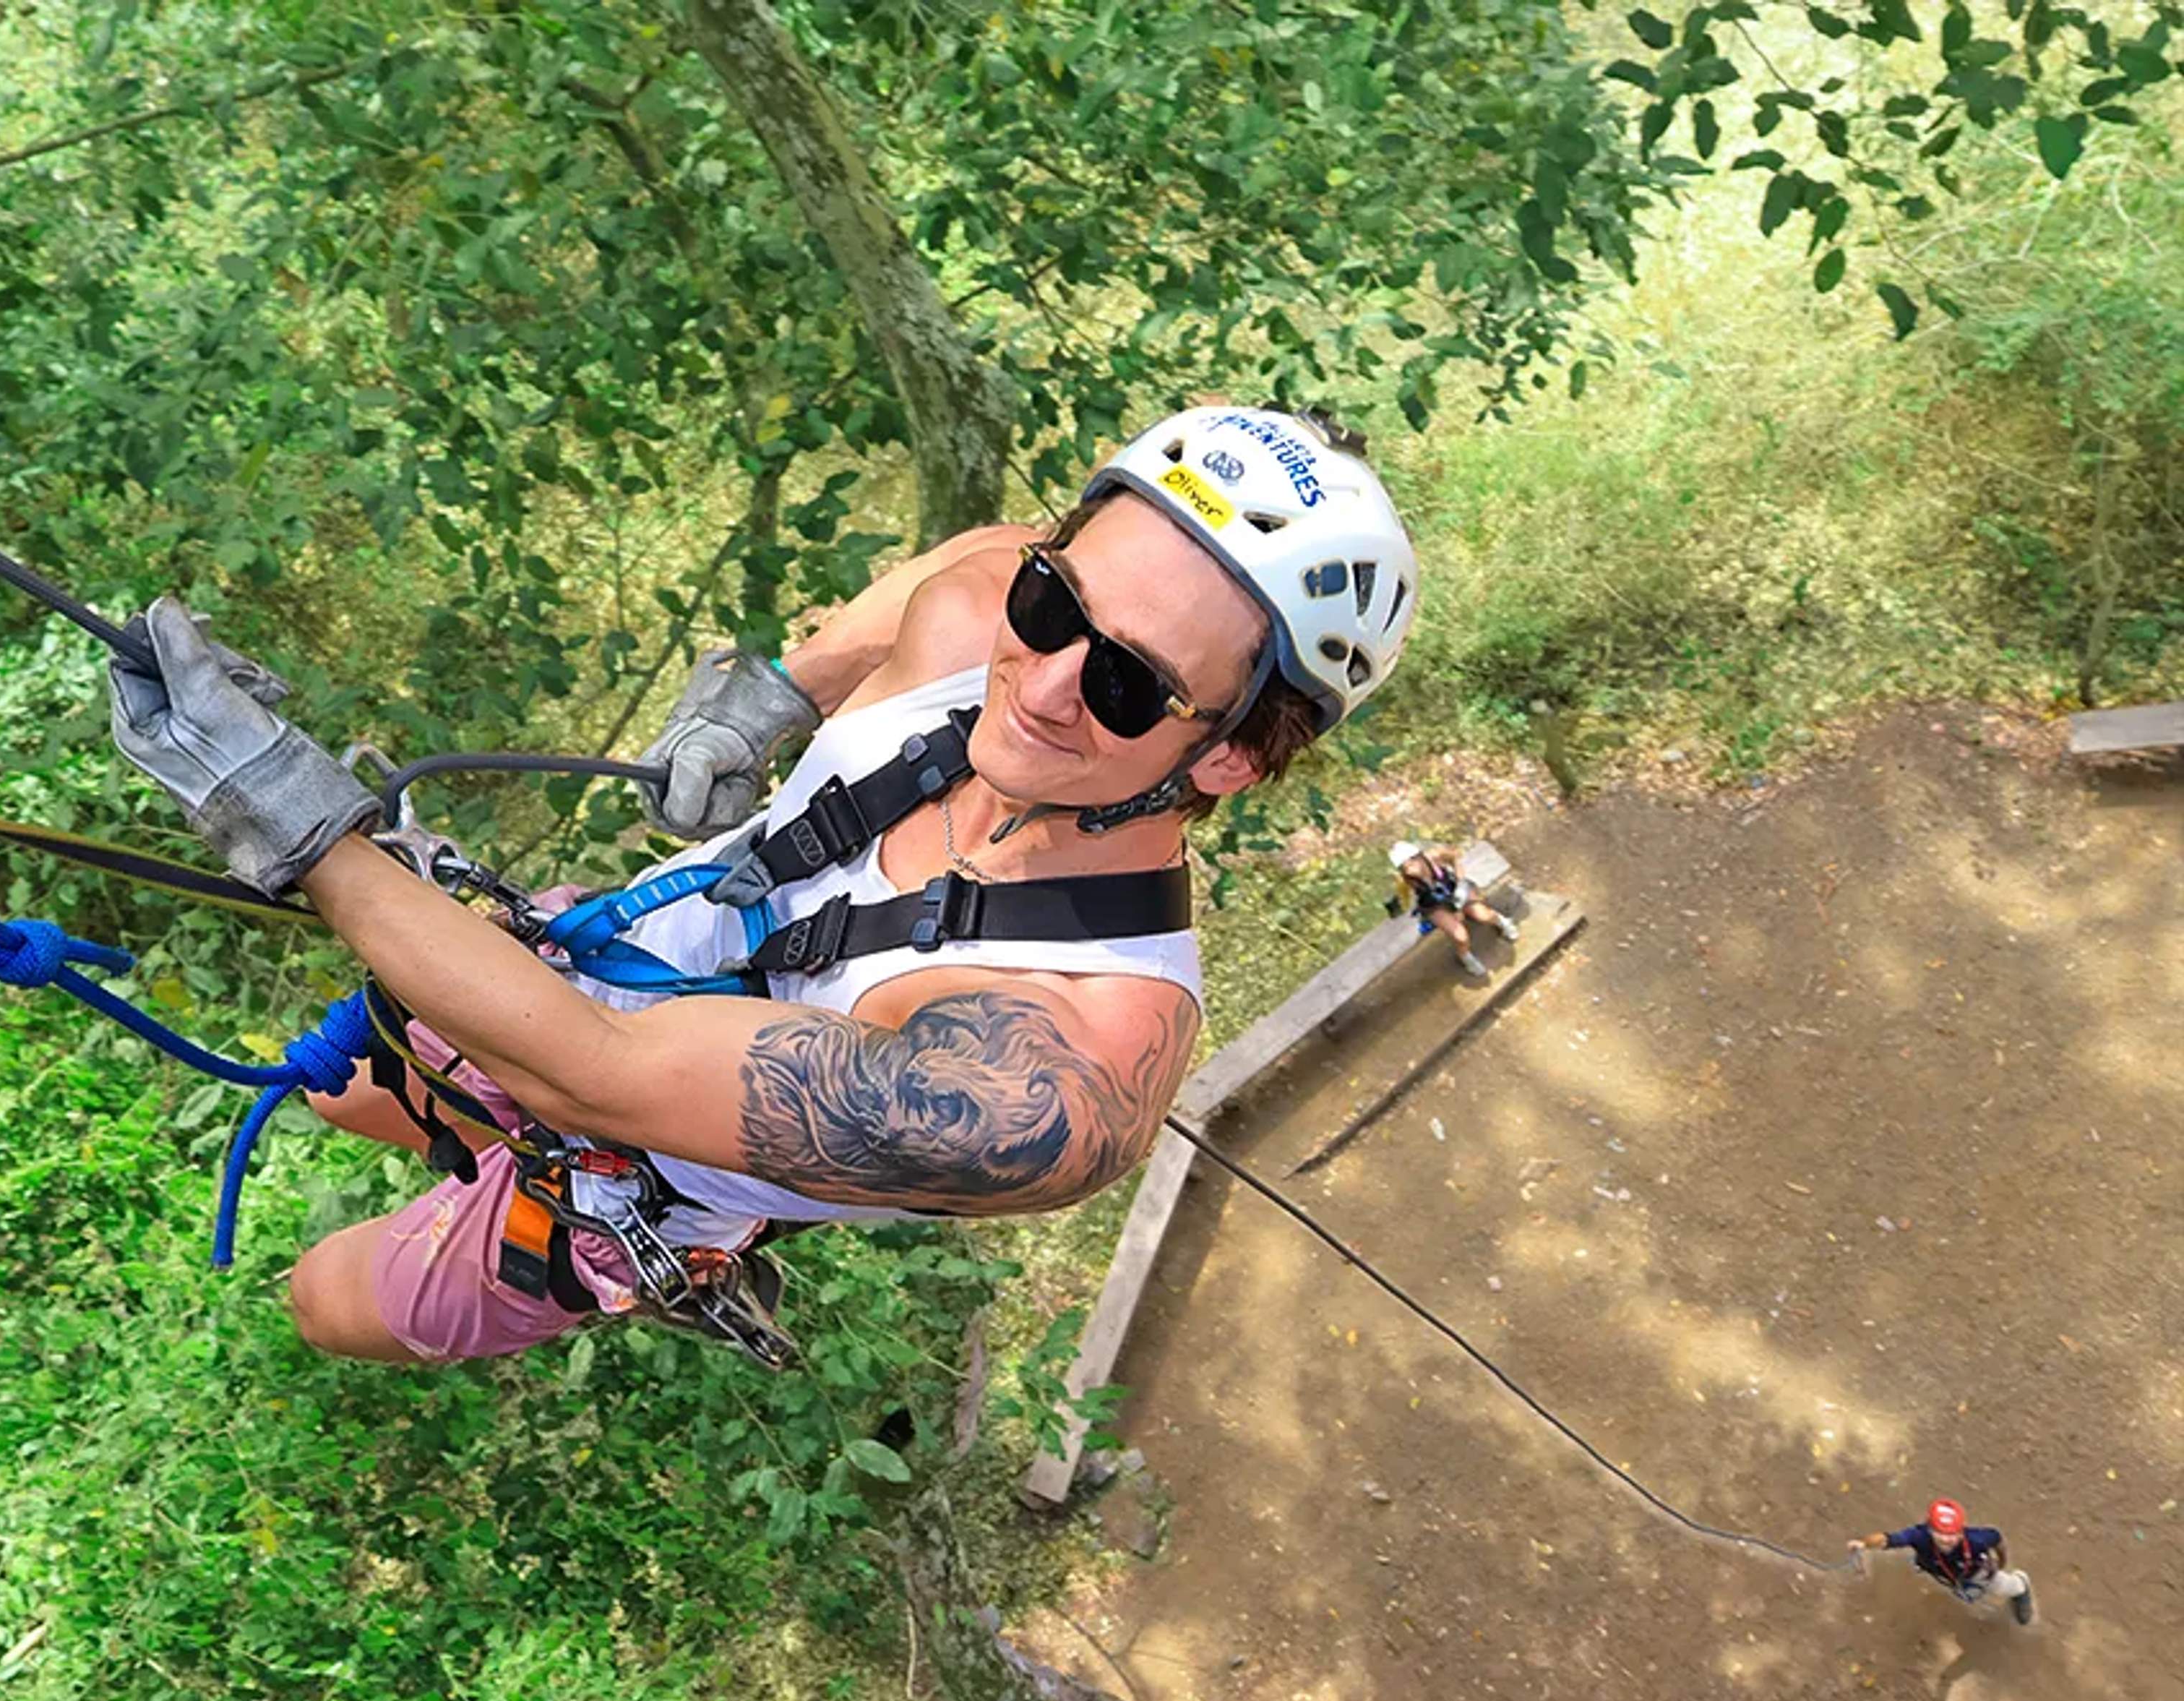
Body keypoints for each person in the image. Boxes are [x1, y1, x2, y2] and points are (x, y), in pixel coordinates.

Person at [108, 406, 1417, 1366]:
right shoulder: (985, 619)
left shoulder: (1060, 1069)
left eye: (1129, 682)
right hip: (583, 960)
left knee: (328, 1301)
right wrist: (773, 701)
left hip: (630, 1156)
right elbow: (982, 554)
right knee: (333, 1086)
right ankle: (434, 1110)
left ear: (1236, 752)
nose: (1048, 677)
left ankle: (500, 1188)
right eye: (1053, 601)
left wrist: (290, 817)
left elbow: (592, 1071)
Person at [1851, 1499, 2034, 1625]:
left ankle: (2021, 1585)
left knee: (2005, 1586)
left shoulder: (1977, 1540)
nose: (1947, 1539)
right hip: (1944, 1572)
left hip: (1977, 1573)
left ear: (1961, 1532)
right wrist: (1864, 1544)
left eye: (1952, 1534)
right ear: (1929, 1529)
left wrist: (2002, 1562)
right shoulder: (1919, 1536)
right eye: (1940, 1532)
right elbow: (1887, 1539)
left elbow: (1998, 1539)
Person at [1390, 839, 1516, 977]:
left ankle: (1502, 921)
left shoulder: (1435, 856)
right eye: (1404, 868)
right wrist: (1398, 904)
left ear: (1419, 856)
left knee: (1485, 916)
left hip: (1454, 890)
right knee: (1461, 937)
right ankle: (1465, 956)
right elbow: (1403, 901)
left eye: (1412, 862)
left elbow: (1454, 858)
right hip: (1434, 904)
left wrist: (1461, 884)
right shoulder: (1405, 880)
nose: (1410, 869)